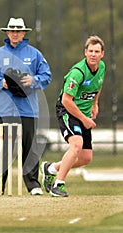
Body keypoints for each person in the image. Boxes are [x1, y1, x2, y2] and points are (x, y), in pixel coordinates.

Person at [0, 17, 52, 196]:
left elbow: (46, 75)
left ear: (23, 33)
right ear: (7, 32)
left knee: (29, 148)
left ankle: (33, 184)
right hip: (4, 109)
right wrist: (0, 82)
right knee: (2, 150)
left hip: (27, 109)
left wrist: (33, 80)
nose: (14, 33)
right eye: (11, 30)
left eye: (18, 31)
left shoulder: (34, 54)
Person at [41, 35, 106, 197]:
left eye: (96, 51)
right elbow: (66, 100)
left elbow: (98, 84)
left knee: (86, 158)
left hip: (83, 113)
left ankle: (50, 168)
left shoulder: (102, 67)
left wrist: (94, 104)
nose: (93, 54)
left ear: (102, 54)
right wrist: (84, 119)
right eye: (90, 51)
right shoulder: (77, 72)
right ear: (85, 52)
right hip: (67, 110)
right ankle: (58, 184)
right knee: (76, 144)